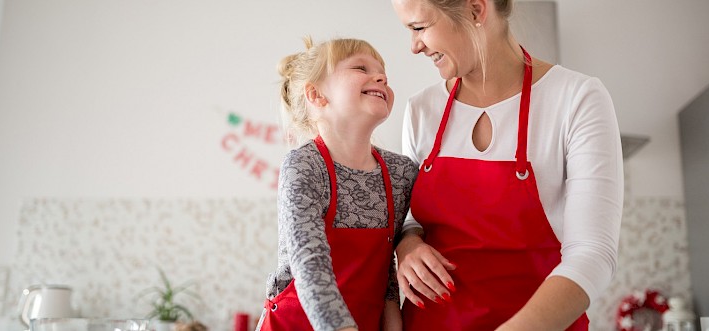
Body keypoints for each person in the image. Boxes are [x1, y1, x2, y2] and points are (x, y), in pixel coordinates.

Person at [390, 0, 623, 330]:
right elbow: (412, 217)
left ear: (475, 9)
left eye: (419, 28)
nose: (414, 47)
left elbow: (593, 254)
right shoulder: (421, 109)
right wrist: (409, 243)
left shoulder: (576, 98)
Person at [256, 37, 418, 331]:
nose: (381, 77)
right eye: (361, 68)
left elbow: (385, 272)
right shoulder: (304, 165)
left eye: (383, 73)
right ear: (317, 96)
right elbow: (309, 263)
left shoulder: (400, 172)